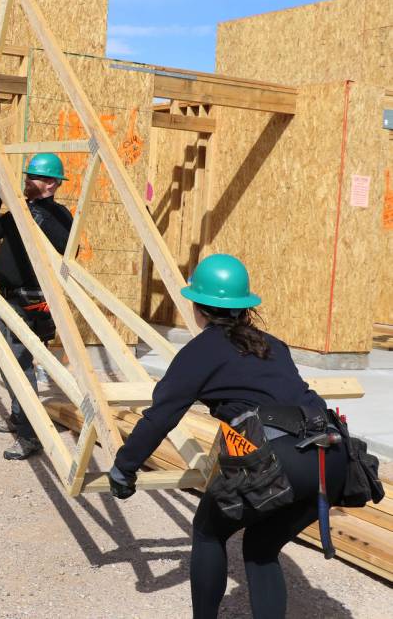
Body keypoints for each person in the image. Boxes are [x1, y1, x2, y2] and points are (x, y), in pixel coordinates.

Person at [108, 254, 349, 619]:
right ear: (243, 306)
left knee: (208, 532)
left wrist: (123, 469)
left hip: (279, 458)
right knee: (261, 547)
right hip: (330, 458)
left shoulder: (200, 352)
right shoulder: (272, 345)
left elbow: (161, 417)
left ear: (197, 306)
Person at [0, 153, 73, 460]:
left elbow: (64, 246)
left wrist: (34, 213)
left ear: (51, 183)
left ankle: (30, 435)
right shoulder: (21, 211)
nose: (25, 182)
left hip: (30, 300)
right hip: (6, 297)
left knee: (20, 365)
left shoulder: (59, 216)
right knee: (8, 362)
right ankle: (20, 417)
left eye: (32, 177)